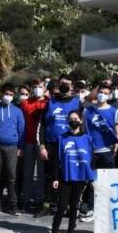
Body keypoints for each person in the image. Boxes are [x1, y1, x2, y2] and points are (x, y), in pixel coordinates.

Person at [48, 110, 94, 233]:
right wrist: (55, 177)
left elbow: (92, 160)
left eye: (75, 118)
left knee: (75, 207)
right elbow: (56, 160)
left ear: (80, 120)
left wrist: (91, 178)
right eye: (70, 118)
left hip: (80, 177)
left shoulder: (87, 138)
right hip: (65, 177)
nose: (73, 120)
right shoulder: (62, 138)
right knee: (61, 206)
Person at [38, 74, 80, 217]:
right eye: (62, 83)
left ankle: (67, 205)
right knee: (49, 175)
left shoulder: (77, 103)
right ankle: (47, 205)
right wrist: (42, 146)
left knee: (68, 175)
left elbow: (82, 125)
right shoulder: (50, 102)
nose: (64, 85)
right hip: (51, 144)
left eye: (67, 83)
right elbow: (42, 125)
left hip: (69, 145)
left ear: (72, 86)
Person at [81, 83, 118, 221]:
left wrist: (116, 144)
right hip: (92, 151)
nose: (102, 94)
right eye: (100, 91)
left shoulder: (114, 111)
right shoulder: (88, 111)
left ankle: (109, 209)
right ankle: (91, 209)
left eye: (105, 92)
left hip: (107, 151)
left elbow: (117, 129)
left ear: (109, 96)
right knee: (92, 181)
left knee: (108, 181)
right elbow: (84, 130)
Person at [0, 83, 25, 215]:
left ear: (13, 96)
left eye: (10, 94)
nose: (8, 96)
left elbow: (21, 131)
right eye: (6, 94)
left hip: (12, 147)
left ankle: (13, 206)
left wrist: (20, 147)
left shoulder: (17, 111)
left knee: (11, 177)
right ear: (1, 94)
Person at [19, 79, 47, 212]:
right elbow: (21, 124)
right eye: (35, 87)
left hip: (42, 144)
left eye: (40, 86)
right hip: (28, 142)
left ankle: (39, 201)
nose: (38, 89)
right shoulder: (25, 103)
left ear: (44, 87)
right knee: (27, 173)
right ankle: (25, 201)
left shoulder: (48, 103)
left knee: (41, 174)